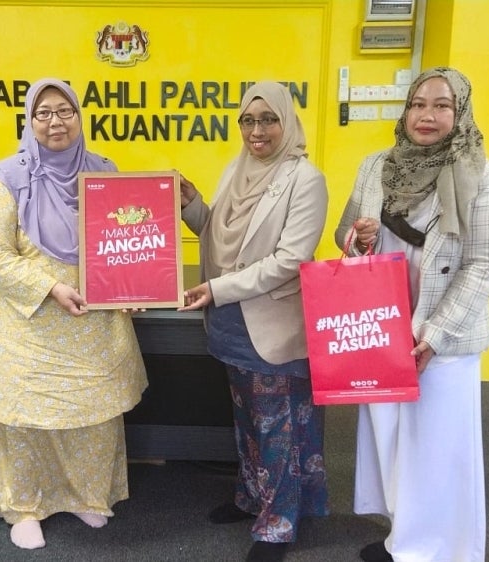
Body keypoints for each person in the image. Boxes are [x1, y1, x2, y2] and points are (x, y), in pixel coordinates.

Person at [334, 67, 489, 562]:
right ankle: (404, 536)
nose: (427, 115)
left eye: (442, 105)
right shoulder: (376, 166)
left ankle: (440, 549)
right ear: (405, 110)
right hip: (383, 327)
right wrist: (360, 240)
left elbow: (486, 261)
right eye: (418, 104)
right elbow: (345, 234)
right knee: (392, 437)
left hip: (442, 334)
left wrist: (435, 333)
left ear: (461, 113)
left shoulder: (483, 176)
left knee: (435, 446)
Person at [0, 78, 148, 550]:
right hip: (26, 321)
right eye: (43, 112)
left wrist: (133, 282)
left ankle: (87, 494)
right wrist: (48, 286)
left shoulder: (104, 170)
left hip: (93, 318)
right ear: (29, 121)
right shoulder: (6, 177)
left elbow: (123, 241)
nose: (56, 121)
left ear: (80, 116)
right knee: (24, 417)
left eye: (65, 110)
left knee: (93, 413)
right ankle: (25, 507)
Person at [178, 81, 329, 562]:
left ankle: (280, 524)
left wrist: (218, 289)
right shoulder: (235, 170)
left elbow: (290, 259)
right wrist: (190, 203)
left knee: (277, 426)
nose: (257, 130)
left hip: (271, 322)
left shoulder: (306, 179)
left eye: (268, 119)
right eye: (248, 120)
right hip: (228, 319)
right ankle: (251, 497)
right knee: (245, 419)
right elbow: (216, 233)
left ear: (287, 122)